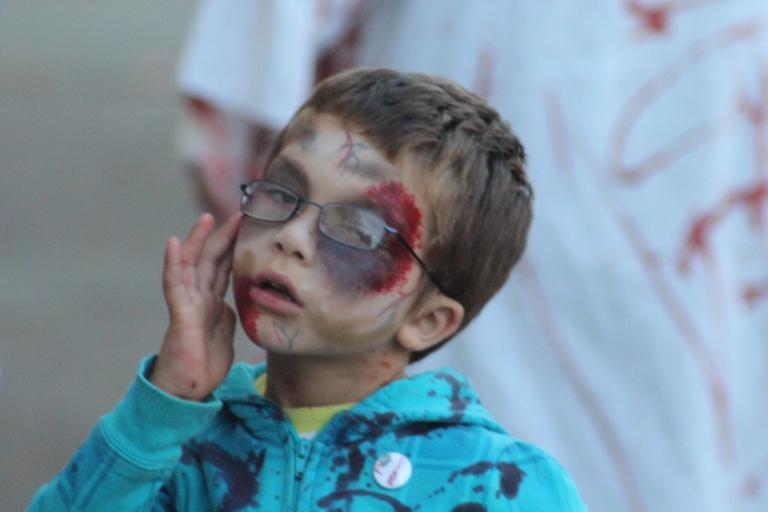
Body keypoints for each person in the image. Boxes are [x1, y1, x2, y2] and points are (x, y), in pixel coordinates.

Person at [29, 68, 587, 511]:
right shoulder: (176, 448)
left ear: (428, 320)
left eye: (358, 229)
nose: (292, 237)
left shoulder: (500, 484)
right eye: (282, 193)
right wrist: (164, 403)